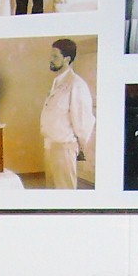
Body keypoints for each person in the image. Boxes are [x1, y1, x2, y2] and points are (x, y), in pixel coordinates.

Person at [39, 38, 95, 189]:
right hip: (50, 145)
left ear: (67, 59)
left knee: (65, 192)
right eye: (51, 55)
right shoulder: (57, 82)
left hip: (64, 148)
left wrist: (77, 146)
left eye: (55, 56)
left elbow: (82, 121)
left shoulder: (76, 84)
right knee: (52, 191)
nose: (51, 60)